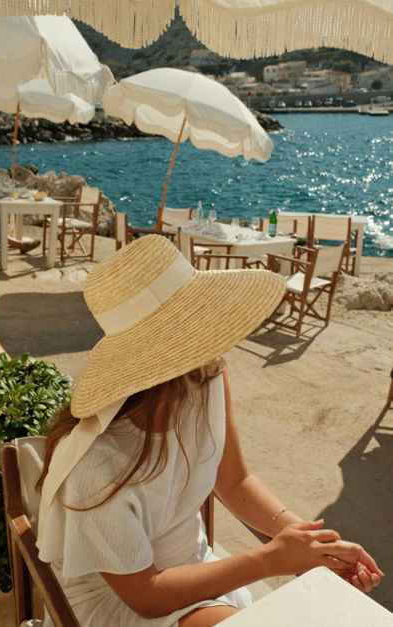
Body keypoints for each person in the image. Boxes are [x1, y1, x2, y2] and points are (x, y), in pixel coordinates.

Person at [36, 235, 383, 627]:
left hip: (196, 571)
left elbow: (235, 481)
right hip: (122, 601)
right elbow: (146, 597)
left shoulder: (204, 377)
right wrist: (272, 559)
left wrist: (315, 548)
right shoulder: (95, 465)